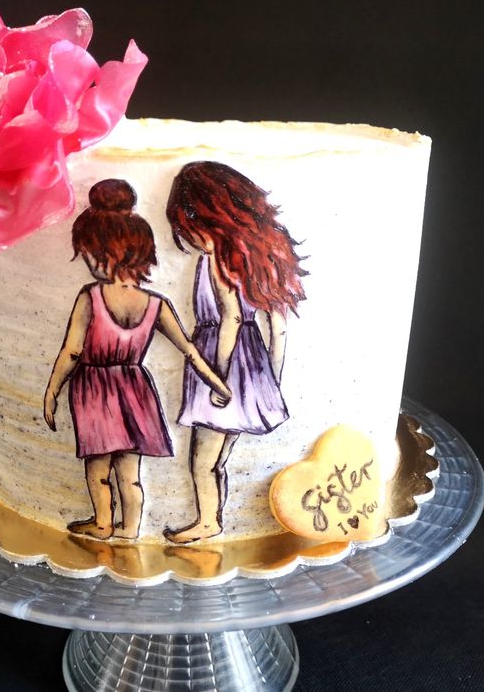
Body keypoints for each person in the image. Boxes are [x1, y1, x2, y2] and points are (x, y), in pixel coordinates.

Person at [43, 179, 232, 541]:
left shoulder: (90, 297)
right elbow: (190, 350)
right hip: (135, 390)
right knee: (130, 472)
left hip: (95, 389)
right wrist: (218, 383)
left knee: (98, 467)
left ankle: (102, 522)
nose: (87, 261)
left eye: (88, 253)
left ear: (103, 252)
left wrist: (52, 390)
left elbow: (72, 351)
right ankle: (130, 528)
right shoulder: (155, 303)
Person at [164, 161, 307, 544]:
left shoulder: (218, 259)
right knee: (219, 457)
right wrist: (270, 381)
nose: (190, 238)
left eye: (189, 226)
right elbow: (278, 329)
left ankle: (208, 521)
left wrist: (218, 375)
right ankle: (214, 520)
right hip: (254, 368)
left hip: (222, 364)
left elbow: (229, 318)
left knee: (203, 458)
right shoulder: (261, 257)